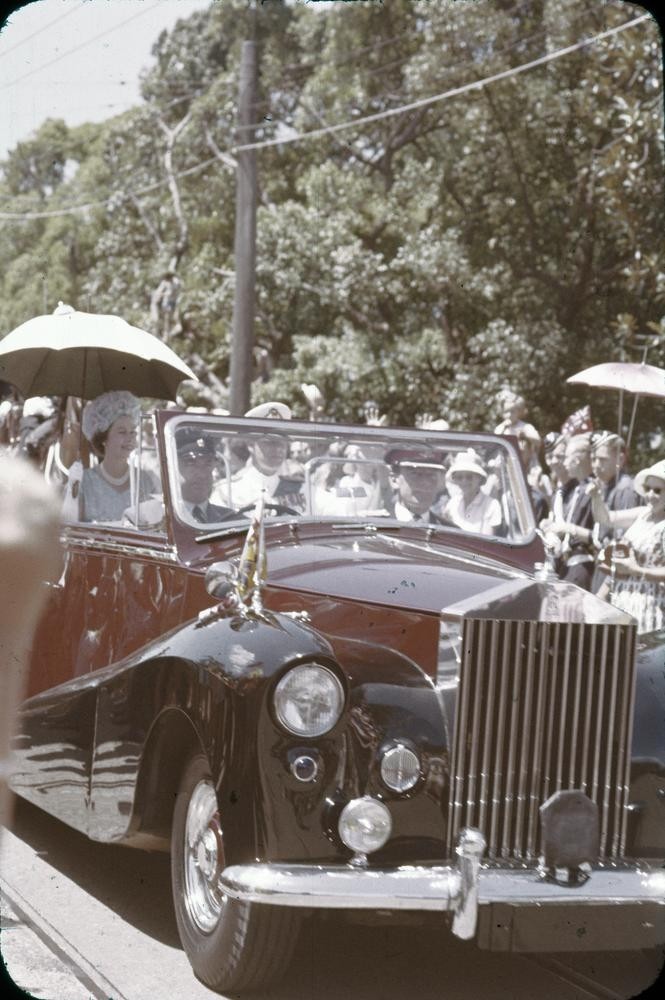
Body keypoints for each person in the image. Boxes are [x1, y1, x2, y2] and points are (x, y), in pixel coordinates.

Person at [68, 390, 157, 523]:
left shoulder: (146, 481)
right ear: (104, 438)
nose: (130, 438)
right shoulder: (84, 482)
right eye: (122, 432)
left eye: (133, 432)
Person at [600, 459, 665, 634]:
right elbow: (605, 518)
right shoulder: (642, 514)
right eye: (647, 489)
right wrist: (594, 497)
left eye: (657, 490)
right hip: (623, 600)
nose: (650, 495)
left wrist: (638, 570)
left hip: (650, 605)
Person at [214, 401, 305, 511]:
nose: (278, 448)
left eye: (282, 441)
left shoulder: (303, 488)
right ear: (251, 444)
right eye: (269, 442)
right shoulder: (227, 491)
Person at [542, 432, 595, 589]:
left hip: (581, 562)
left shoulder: (585, 489)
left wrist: (564, 529)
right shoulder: (559, 493)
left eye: (561, 456)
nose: (556, 462)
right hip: (563, 564)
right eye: (550, 457)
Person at [176, 428, 234, 523]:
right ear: (173, 465)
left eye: (208, 463)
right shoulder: (153, 517)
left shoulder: (230, 520)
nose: (202, 474)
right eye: (191, 463)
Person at [442, 450, 502, 535]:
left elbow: (487, 542)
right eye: (459, 477)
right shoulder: (452, 503)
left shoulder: (492, 505)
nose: (464, 481)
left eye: (469, 477)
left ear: (479, 478)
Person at [386, 449, 450, 524]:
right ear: (394, 480)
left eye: (432, 475)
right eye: (415, 474)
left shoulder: (450, 532)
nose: (425, 482)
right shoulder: (377, 527)